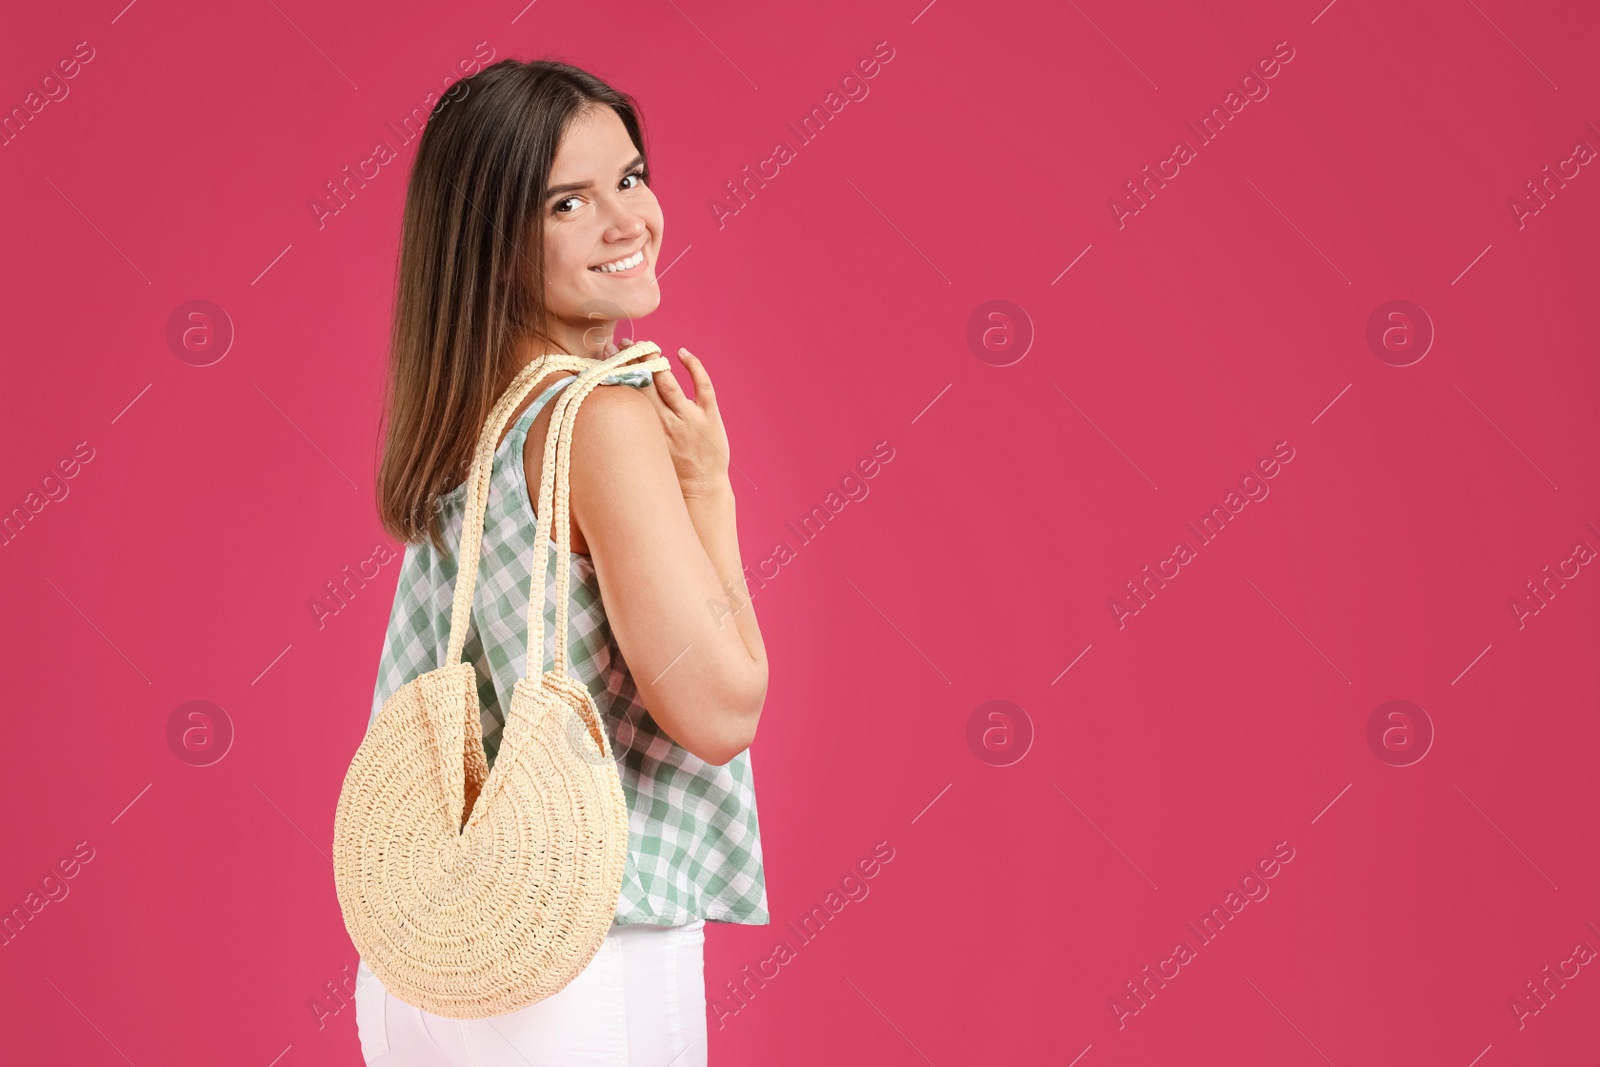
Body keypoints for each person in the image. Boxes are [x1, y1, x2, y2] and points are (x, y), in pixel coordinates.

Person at [354, 57, 770, 1066]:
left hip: (429, 964)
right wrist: (710, 490)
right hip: (578, 960)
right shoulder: (600, 421)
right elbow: (721, 710)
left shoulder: (465, 427)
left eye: (629, 178)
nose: (628, 220)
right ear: (492, 242)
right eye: (568, 202)